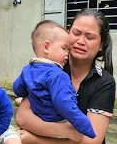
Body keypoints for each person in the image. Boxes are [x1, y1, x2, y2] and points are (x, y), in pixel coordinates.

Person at [16, 8, 116, 144]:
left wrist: (36, 139)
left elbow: (90, 141)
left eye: (90, 37)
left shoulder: (104, 82)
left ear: (101, 45)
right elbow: (22, 117)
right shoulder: (50, 67)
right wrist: (65, 130)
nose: (81, 41)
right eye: (76, 33)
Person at [13, 20, 95, 141]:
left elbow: (17, 88)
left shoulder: (27, 70)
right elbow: (64, 103)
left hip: (37, 120)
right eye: (64, 48)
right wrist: (84, 125)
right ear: (46, 47)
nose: (67, 54)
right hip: (57, 121)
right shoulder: (57, 75)